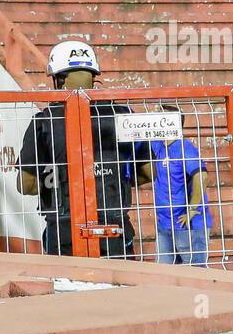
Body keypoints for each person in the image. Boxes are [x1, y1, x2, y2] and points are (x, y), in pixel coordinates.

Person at [16, 40, 142, 257]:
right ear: (93, 77)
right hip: (116, 226)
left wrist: (56, 178)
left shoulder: (45, 121)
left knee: (71, 288)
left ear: (59, 80)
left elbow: (27, 185)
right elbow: (148, 172)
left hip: (63, 228)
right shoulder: (122, 114)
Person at [138, 105, 212, 266]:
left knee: (194, 272)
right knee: (165, 274)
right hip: (165, 223)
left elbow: (202, 177)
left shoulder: (185, 148)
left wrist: (192, 210)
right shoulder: (158, 145)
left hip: (187, 225)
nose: (156, 120)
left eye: (161, 117)